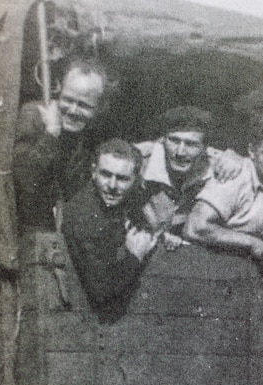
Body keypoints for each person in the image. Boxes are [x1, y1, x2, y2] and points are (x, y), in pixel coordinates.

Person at [184, 113, 263, 260]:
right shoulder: (235, 175)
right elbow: (195, 227)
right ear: (252, 151)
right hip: (209, 261)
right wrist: (252, 242)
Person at [63, 139, 159, 323]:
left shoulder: (125, 201)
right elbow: (102, 290)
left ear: (136, 180)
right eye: (105, 174)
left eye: (122, 178)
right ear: (93, 172)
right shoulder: (85, 214)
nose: (112, 185)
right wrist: (135, 256)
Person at [13, 58, 108, 231]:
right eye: (68, 100)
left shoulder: (93, 134)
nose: (73, 111)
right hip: (26, 228)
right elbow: (24, 180)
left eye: (84, 106)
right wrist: (51, 133)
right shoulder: (34, 116)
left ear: (99, 107)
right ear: (59, 90)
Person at [134, 106, 245, 250]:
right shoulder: (139, 159)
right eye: (174, 141)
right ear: (162, 140)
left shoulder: (219, 165)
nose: (180, 152)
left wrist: (238, 160)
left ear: (205, 147)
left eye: (191, 144)